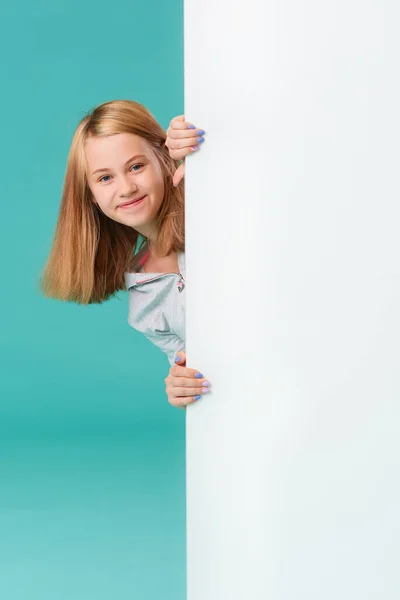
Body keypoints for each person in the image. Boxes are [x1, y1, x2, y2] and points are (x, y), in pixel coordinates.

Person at [40, 100, 210, 409]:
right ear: (90, 196)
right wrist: (180, 383)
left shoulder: (206, 209)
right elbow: (196, 365)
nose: (127, 188)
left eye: (136, 166)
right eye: (105, 178)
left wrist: (198, 147)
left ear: (163, 158)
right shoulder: (144, 301)